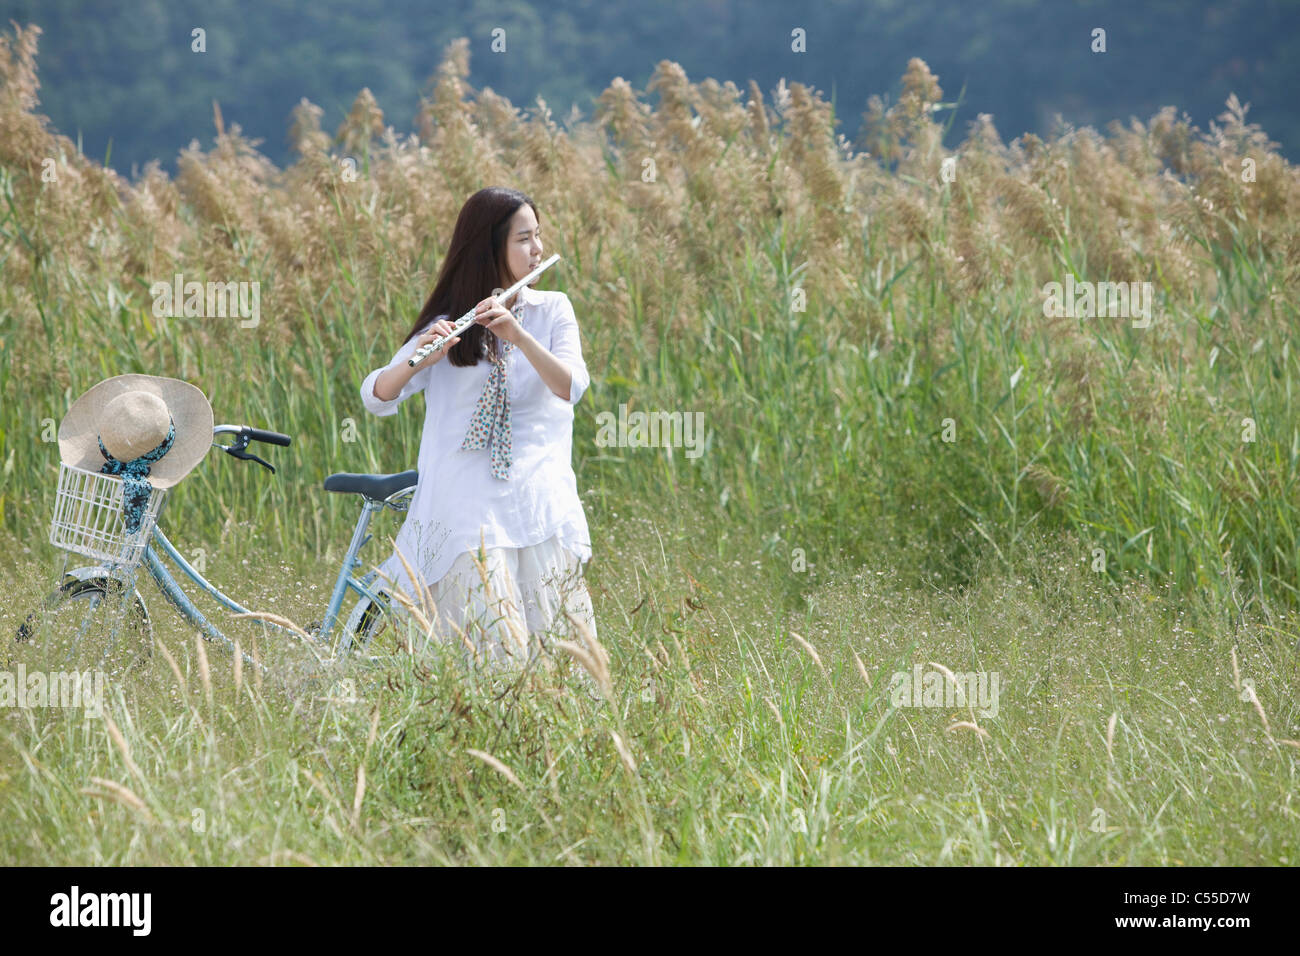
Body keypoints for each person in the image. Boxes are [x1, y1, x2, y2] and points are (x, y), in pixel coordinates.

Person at [359, 187, 597, 668]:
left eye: (538, 237)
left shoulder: (553, 310)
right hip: (468, 511)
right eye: (523, 240)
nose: (537, 250)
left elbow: (571, 386)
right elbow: (377, 396)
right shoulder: (451, 323)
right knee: (489, 657)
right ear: (490, 249)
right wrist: (423, 353)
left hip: (535, 507)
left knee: (552, 661)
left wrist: (519, 336)